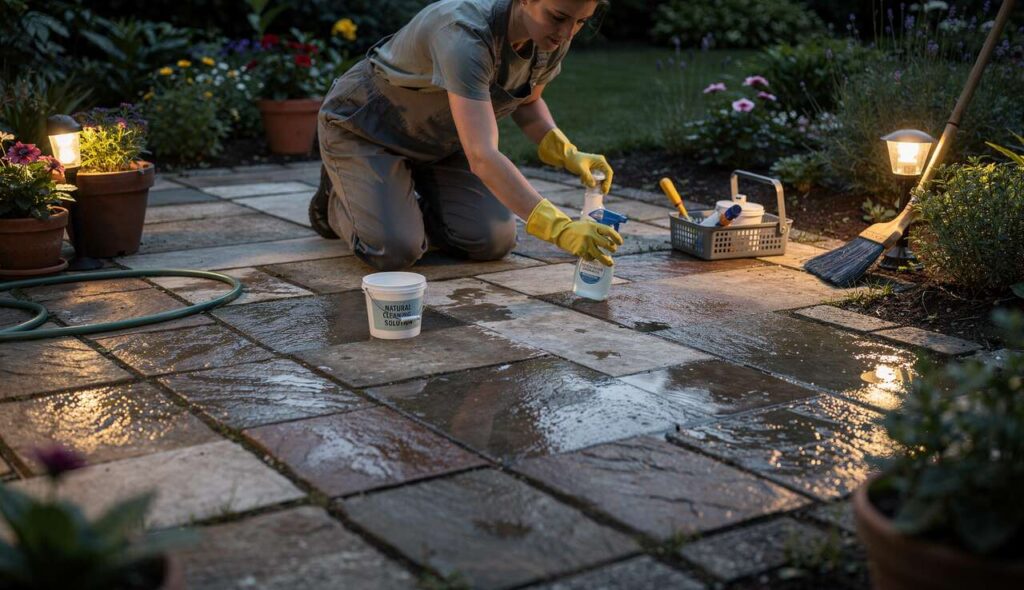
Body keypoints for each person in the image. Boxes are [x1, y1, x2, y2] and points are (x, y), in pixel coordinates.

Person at [309, 0, 623, 271]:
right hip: (366, 130)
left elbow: (528, 102)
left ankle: (395, 200)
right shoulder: (464, 34)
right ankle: (337, 199)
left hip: (441, 141)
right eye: (559, 17)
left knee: (492, 240)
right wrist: (561, 228)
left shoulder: (549, 38)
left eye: (581, 21)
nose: (568, 33)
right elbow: (482, 155)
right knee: (394, 250)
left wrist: (567, 151)